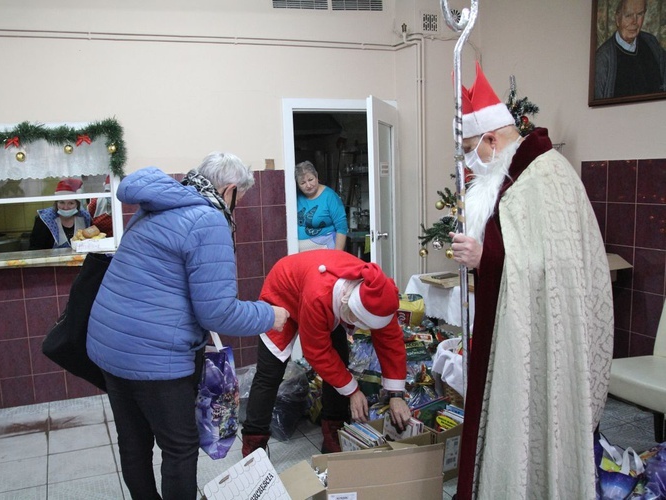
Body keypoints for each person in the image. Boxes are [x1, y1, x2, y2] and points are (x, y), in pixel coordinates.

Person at [449, 63, 614, 499]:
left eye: (471, 149)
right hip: (514, 328)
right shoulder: (516, 176)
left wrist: (486, 256)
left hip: (544, 342)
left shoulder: (544, 177)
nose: (470, 161)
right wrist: (486, 260)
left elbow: (552, 269)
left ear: (492, 139)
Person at [86, 152, 289, 500]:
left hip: (110, 345)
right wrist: (271, 315)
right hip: (154, 356)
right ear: (229, 190)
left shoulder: (159, 206)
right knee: (179, 447)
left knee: (133, 443)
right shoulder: (208, 221)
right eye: (239, 196)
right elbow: (218, 313)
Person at [241, 249, 412, 456]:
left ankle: (333, 432)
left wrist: (396, 394)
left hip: (322, 290)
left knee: (339, 358)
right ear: (348, 309)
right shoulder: (319, 297)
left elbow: (390, 342)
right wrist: (353, 391)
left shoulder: (379, 295)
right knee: (270, 373)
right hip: (284, 290)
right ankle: (253, 445)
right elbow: (317, 352)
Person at [595, 0, 666, 99]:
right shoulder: (603, 58)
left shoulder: (652, 43)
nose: (634, 21)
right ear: (617, 19)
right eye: (628, 15)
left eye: (640, 14)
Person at [296, 161, 348, 251]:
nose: (308, 185)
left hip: (326, 248)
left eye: (310, 180)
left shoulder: (330, 196)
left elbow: (342, 227)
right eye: (303, 183)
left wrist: (337, 255)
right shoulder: (295, 197)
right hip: (301, 252)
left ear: (316, 176)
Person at [28, 178, 91, 249]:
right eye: (62, 202)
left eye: (71, 203)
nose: (66, 207)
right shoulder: (44, 220)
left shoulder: (85, 217)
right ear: (56, 203)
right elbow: (36, 249)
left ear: (77, 204)